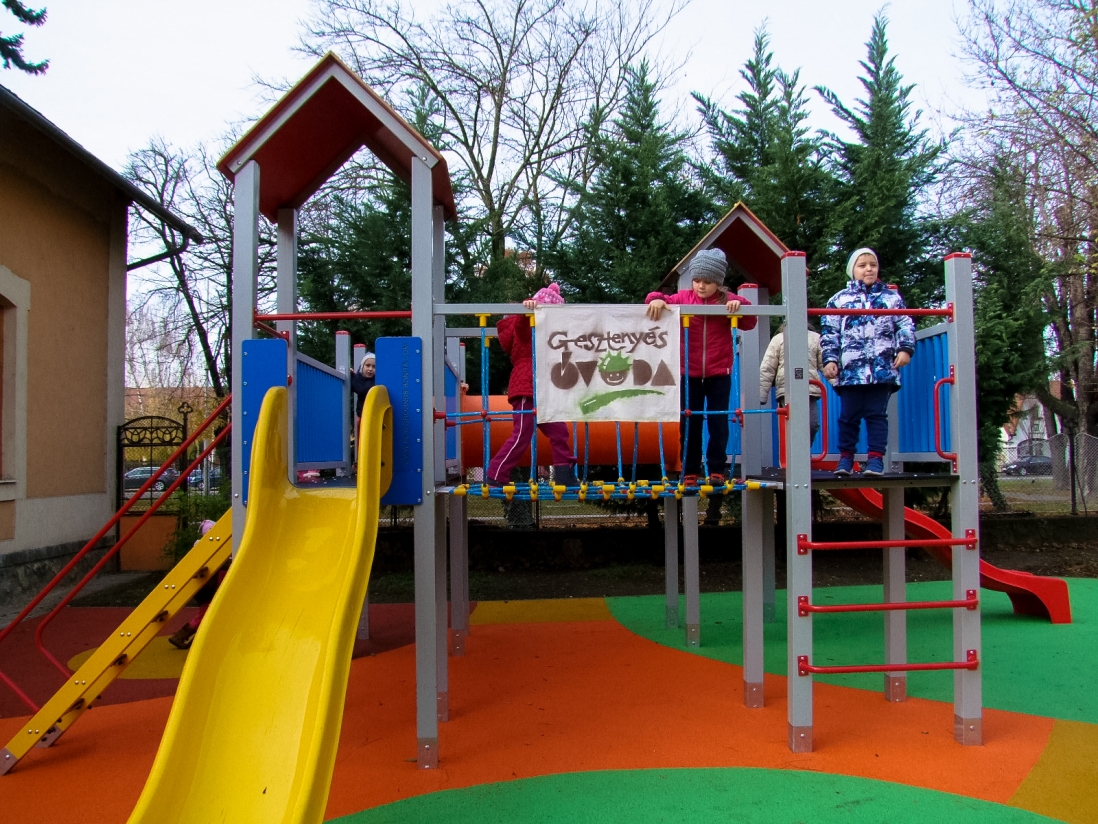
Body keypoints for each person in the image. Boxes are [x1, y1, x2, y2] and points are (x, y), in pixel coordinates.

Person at [645, 248, 756, 486]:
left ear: (718, 283)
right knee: (689, 422)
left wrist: (739, 303)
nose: (701, 286)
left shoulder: (726, 301)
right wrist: (656, 299)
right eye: (696, 280)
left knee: (718, 422)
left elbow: (750, 322)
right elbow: (659, 299)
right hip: (688, 372)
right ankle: (690, 470)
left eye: (707, 282)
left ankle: (716, 469)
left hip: (719, 372)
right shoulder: (684, 298)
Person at [820, 247, 915, 477]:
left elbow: (905, 324)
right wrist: (830, 359)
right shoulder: (839, 300)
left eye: (873, 265)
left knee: (876, 415)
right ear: (852, 271)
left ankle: (875, 460)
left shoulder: (891, 298)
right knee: (848, 416)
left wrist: (905, 349)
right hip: (851, 371)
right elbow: (830, 333)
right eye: (862, 266)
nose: (868, 269)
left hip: (882, 369)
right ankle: (845, 459)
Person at [487, 282, 577, 488]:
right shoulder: (528, 326)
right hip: (526, 385)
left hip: (544, 387)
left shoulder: (549, 333)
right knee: (522, 433)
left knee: (559, 431)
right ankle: (496, 474)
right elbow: (522, 330)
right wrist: (527, 311)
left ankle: (564, 473)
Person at [759, 323, 829, 443]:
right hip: (787, 388)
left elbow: (825, 364)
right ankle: (794, 451)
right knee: (793, 423)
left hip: (809, 389)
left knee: (812, 423)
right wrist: (762, 393)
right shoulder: (779, 339)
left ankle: (803, 450)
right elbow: (768, 367)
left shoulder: (815, 338)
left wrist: (837, 383)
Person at [350, 351, 376, 429]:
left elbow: (363, 389)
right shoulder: (358, 378)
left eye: (374, 366)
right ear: (362, 366)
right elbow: (358, 387)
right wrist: (350, 375)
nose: (370, 369)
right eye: (367, 365)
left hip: (376, 416)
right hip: (362, 415)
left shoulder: (377, 380)